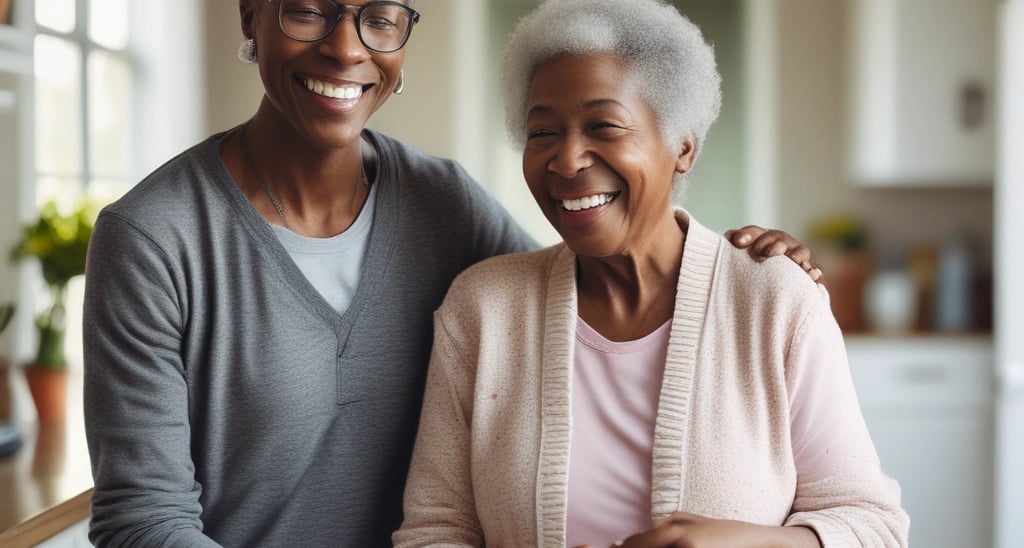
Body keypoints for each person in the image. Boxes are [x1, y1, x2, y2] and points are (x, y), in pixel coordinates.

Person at [83, 1, 821, 546]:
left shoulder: (445, 204)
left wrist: (745, 269)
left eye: (379, 17)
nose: (346, 48)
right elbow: (143, 520)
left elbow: (582, 270)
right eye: (307, 10)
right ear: (251, 17)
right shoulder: (152, 238)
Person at [393, 1, 910, 547]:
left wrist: (752, 543)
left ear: (682, 145)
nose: (567, 160)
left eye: (604, 126)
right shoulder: (482, 308)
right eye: (542, 132)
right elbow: (435, 530)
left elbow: (873, 526)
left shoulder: (775, 299)